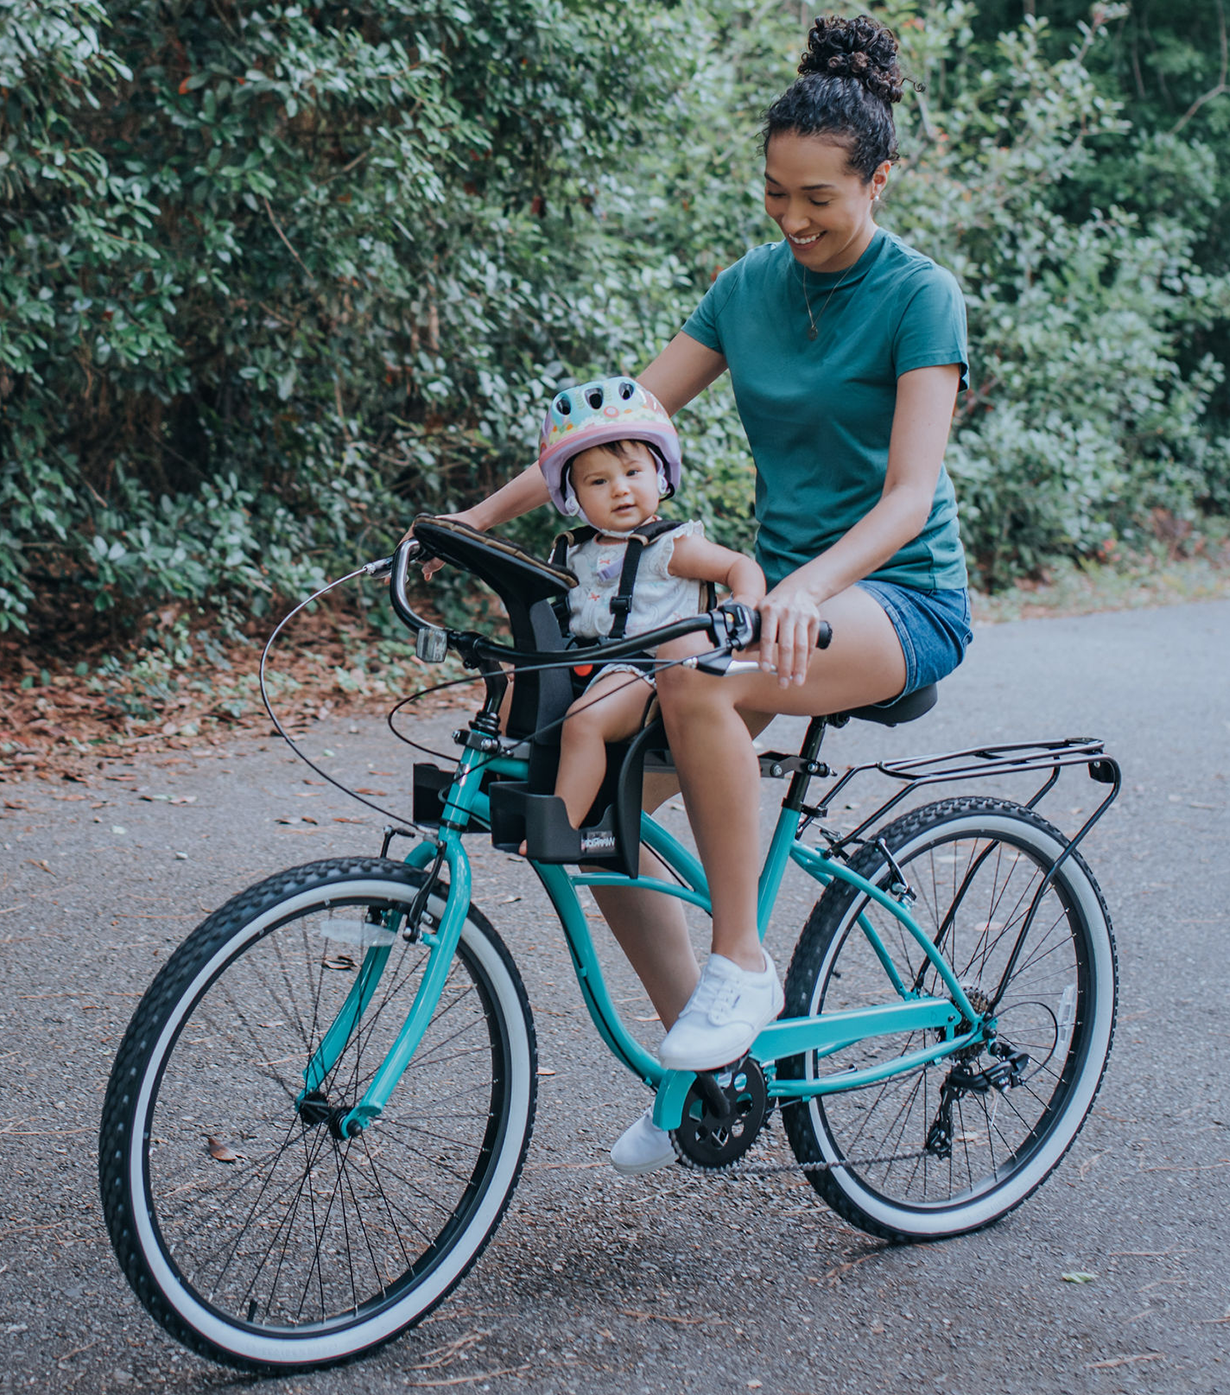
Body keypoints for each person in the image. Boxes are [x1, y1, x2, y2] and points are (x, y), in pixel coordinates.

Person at [417, 13, 973, 1175]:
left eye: (819, 195)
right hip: (774, 609)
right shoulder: (746, 289)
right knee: (603, 815)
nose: (792, 217)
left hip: (891, 598)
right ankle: (705, 1063)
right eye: (775, 192)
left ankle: (743, 963)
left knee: (694, 673)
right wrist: (469, 522)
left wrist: (803, 587)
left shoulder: (921, 297)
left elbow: (911, 494)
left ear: (882, 177)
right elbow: (610, 432)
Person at [534, 377, 765, 838]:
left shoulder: (669, 547)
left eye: (633, 474)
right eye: (599, 481)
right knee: (511, 690)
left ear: (660, 476)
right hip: (587, 664)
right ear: (573, 497)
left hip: (645, 673)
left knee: (584, 725)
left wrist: (744, 608)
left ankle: (560, 826)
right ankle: (504, 785)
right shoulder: (572, 553)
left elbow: (741, 567)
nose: (620, 490)